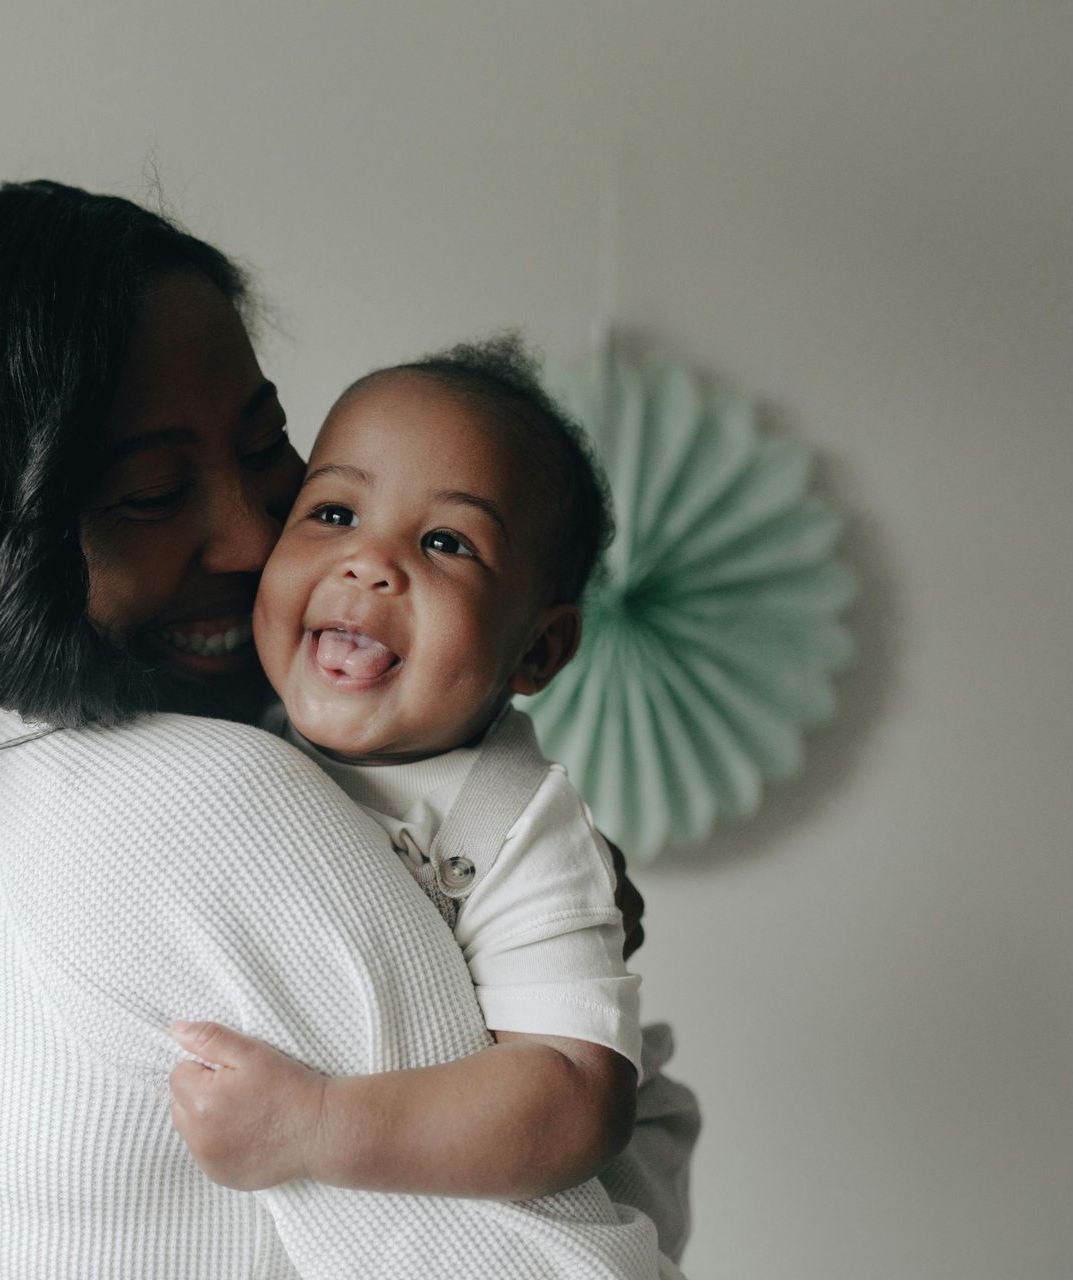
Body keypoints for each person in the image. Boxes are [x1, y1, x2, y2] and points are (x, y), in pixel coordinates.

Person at [0, 178, 692, 1278]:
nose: (252, 536)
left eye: (267, 441)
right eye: (148, 492)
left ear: (542, 648)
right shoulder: (213, 795)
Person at [161, 339, 696, 1258]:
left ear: (538, 651)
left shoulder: (518, 820)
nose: (370, 564)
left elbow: (576, 1094)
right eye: (332, 512)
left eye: (446, 542)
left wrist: (317, 1123)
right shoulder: (228, 727)